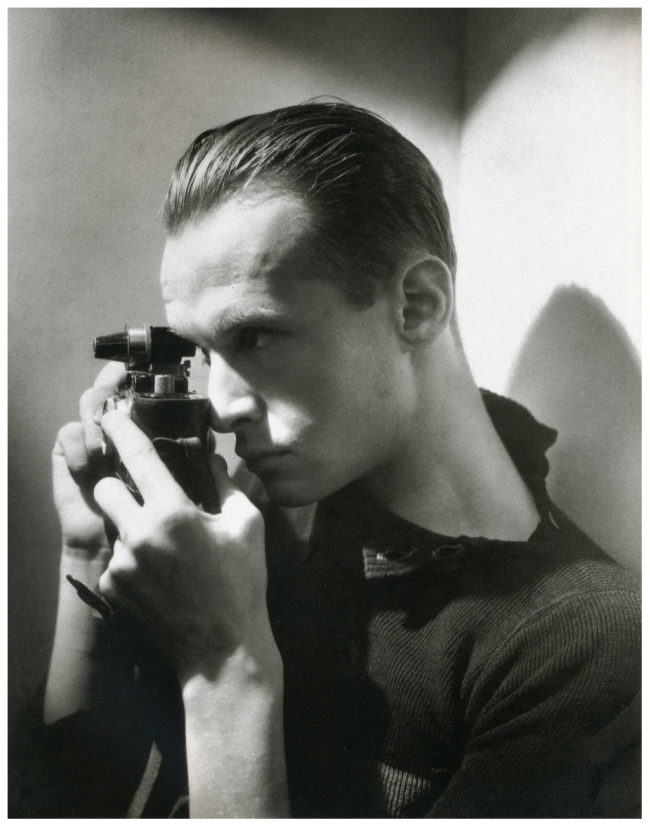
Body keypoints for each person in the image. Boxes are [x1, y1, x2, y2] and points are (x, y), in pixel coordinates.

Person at [40, 102, 639, 818]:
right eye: (206, 352)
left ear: (416, 304)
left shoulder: (584, 643)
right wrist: (86, 553)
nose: (222, 406)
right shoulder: (271, 502)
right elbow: (69, 800)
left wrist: (225, 665)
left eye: (257, 336)